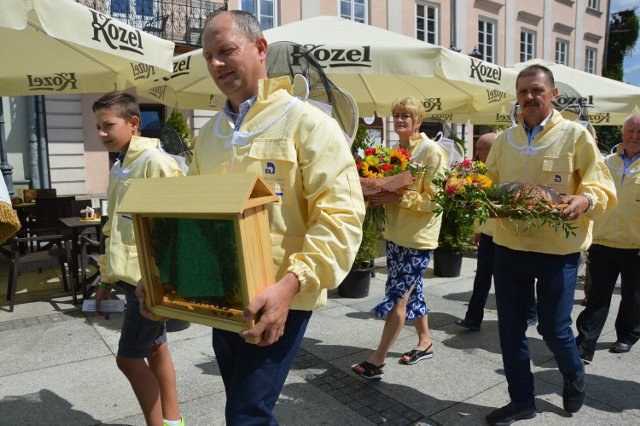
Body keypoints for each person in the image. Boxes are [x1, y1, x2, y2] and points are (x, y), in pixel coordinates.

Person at [139, 11, 365, 425]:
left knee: (246, 414)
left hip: (281, 296)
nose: (216, 65)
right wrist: (162, 278)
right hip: (223, 298)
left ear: (260, 49)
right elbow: (192, 219)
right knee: (241, 406)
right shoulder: (209, 136)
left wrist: (290, 286)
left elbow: (341, 217)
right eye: (208, 56)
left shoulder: (308, 123)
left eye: (226, 51)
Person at [483, 64, 616, 425]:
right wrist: (477, 200)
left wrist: (585, 201)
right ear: (517, 95)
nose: (530, 97)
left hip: (558, 251)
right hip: (510, 248)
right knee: (510, 331)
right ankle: (522, 401)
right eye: (524, 91)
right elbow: (489, 184)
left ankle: (574, 373)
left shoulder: (574, 135)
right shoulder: (506, 140)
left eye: (537, 90)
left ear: (553, 94)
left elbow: (600, 185)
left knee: (554, 330)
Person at [92, 91, 186, 426]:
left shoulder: (155, 164)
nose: (102, 133)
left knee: (128, 359)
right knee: (156, 349)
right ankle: (172, 421)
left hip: (150, 283)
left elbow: (176, 227)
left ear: (134, 124)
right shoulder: (120, 167)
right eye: (98, 127)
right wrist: (106, 278)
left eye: (108, 125)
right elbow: (115, 229)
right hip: (133, 281)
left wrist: (161, 279)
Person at [351, 96, 448, 379]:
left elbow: (438, 199)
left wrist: (399, 197)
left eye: (407, 115)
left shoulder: (431, 152)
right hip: (395, 233)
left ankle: (377, 360)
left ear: (418, 121)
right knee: (412, 291)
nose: (401, 120)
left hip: (418, 237)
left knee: (398, 298)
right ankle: (426, 342)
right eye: (397, 115)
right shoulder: (396, 152)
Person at [455, 133, 537, 332]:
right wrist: (478, 230)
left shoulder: (507, 169)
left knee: (520, 277)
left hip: (506, 234)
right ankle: (473, 317)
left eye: (480, 149)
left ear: (492, 150)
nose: (476, 153)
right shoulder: (484, 174)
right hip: (488, 234)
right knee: (482, 277)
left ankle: (531, 312)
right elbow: (481, 204)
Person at [575, 113, 640, 362]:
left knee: (633, 298)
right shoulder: (605, 162)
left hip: (635, 245)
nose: (635, 136)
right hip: (601, 242)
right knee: (597, 295)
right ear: (622, 133)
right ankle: (584, 344)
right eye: (630, 131)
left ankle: (627, 335)